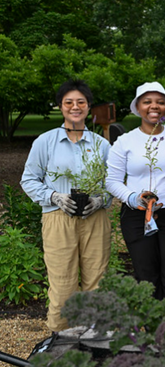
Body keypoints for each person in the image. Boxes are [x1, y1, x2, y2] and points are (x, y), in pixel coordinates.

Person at [20, 79, 111, 332]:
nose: (75, 107)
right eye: (68, 102)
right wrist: (54, 196)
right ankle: (61, 339)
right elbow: (28, 179)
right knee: (62, 282)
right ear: (60, 106)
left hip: (95, 218)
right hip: (58, 218)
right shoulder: (45, 142)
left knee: (97, 279)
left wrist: (101, 199)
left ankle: (95, 336)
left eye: (80, 102)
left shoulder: (101, 144)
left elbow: (112, 182)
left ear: (88, 106)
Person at [106, 82, 165, 299]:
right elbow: (112, 181)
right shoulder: (125, 141)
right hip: (137, 216)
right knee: (146, 273)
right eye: (148, 102)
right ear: (137, 107)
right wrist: (132, 197)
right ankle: (152, 326)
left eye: (160, 102)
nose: (154, 107)